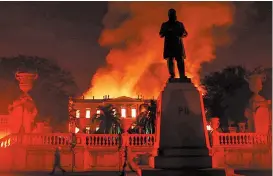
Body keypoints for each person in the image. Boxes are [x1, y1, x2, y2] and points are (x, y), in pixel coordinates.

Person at [159, 8, 188, 80]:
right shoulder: (165, 25)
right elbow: (161, 34)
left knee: (180, 60)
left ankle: (182, 75)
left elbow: (185, 33)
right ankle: (172, 75)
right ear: (168, 15)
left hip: (178, 45)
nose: (172, 16)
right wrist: (167, 31)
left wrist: (180, 34)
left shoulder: (179, 24)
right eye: (170, 14)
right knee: (170, 60)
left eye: (173, 14)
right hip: (169, 46)